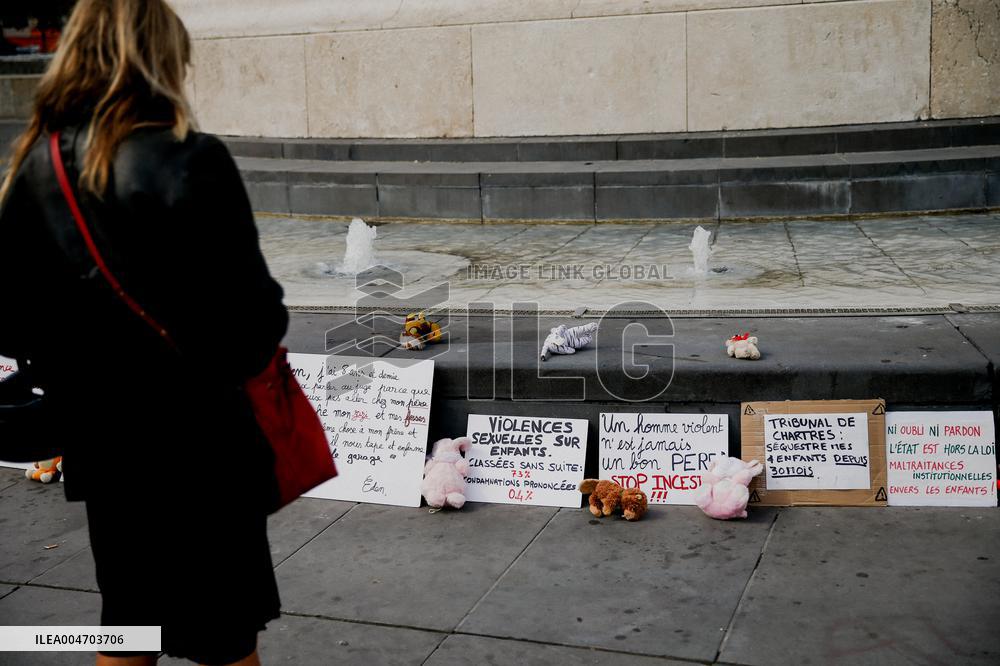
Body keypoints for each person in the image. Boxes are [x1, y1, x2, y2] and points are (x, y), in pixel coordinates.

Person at [0, 1, 288, 664]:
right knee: (224, 637)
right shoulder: (191, 158)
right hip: (200, 447)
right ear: (159, 59)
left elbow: (11, 318)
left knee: (127, 626)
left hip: (106, 446)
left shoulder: (35, 164)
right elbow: (255, 324)